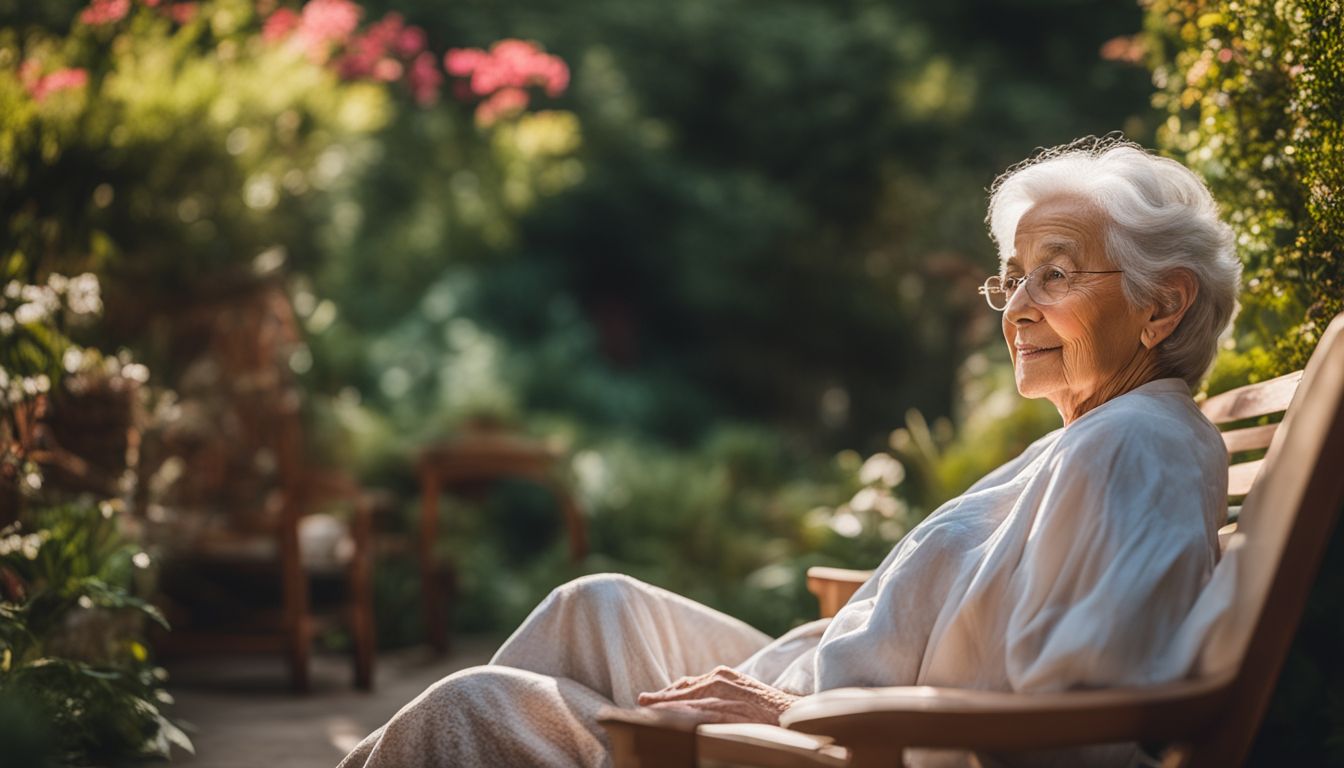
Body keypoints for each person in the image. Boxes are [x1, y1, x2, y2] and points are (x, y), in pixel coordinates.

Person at [338, 137, 1242, 768]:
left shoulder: (1137, 449)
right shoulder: (1105, 435)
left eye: (1056, 271)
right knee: (595, 606)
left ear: (1162, 306)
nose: (1016, 307)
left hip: (840, 745)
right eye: (1013, 276)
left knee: (474, 712)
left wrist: (799, 713)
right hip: (823, 700)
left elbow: (1077, 733)